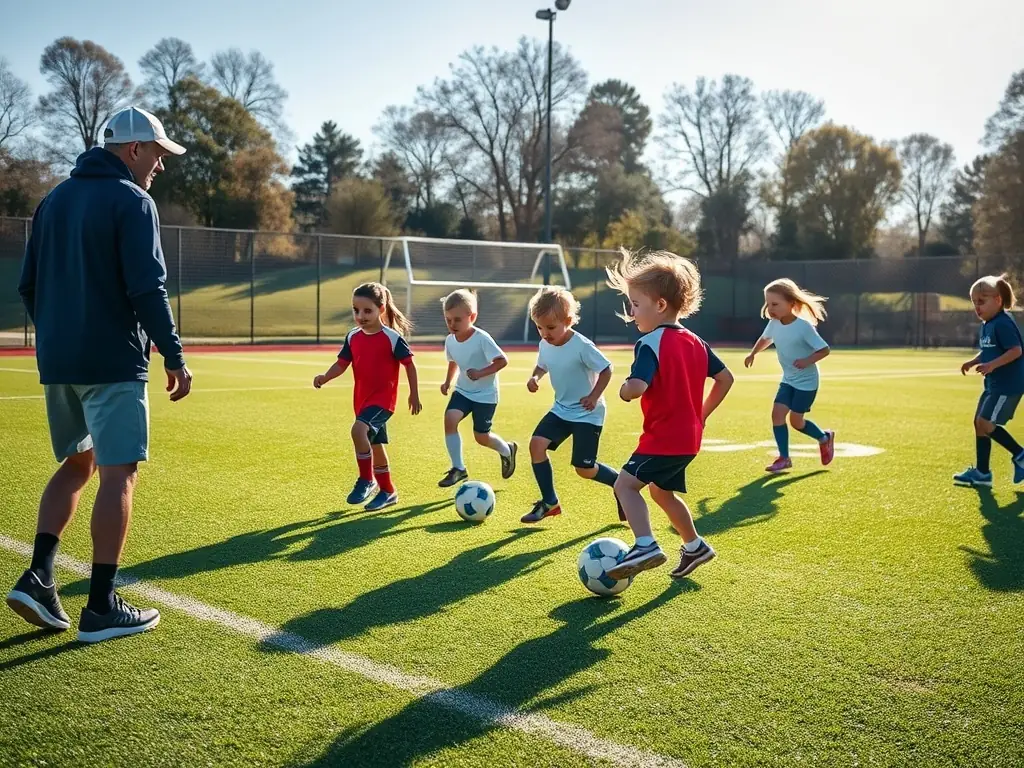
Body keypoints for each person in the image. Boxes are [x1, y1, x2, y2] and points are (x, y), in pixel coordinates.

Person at [7, 106, 192, 644]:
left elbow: (28, 286)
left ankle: (40, 576)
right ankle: (102, 606)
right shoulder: (134, 200)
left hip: (59, 361)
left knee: (78, 464)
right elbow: (146, 287)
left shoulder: (53, 199)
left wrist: (63, 336)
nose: (159, 165)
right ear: (133, 149)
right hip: (112, 361)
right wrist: (174, 355)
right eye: (157, 154)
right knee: (118, 473)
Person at [602, 249, 734, 581]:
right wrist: (701, 415)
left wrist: (624, 389)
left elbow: (637, 386)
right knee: (661, 491)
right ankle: (694, 546)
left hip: (664, 437)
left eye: (635, 304)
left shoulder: (650, 343)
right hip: (689, 437)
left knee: (625, 485)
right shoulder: (697, 342)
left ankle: (645, 544)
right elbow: (725, 379)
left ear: (659, 305)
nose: (632, 313)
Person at [314, 282, 422, 511]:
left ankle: (366, 479)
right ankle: (388, 491)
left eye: (367, 310)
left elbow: (410, 365)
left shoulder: (392, 338)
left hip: (383, 401)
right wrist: (325, 376)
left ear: (381, 309)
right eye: (356, 310)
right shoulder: (353, 337)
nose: (360, 316)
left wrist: (414, 394)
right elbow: (342, 364)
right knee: (376, 446)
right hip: (362, 400)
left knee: (358, 431)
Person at [522, 286, 622, 524]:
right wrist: (535, 377)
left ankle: (620, 483)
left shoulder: (581, 346)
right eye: (539, 327)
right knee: (537, 445)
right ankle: (549, 503)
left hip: (588, 413)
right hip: (561, 409)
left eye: (550, 327)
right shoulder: (545, 343)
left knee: (584, 469)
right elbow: (542, 364)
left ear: (568, 321)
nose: (544, 333)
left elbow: (606, 369)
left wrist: (594, 396)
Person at [744, 278, 835, 473]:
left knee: (796, 422)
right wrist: (753, 353)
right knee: (777, 414)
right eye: (768, 304)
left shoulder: (803, 327)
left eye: (775, 304)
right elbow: (765, 339)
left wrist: (807, 361)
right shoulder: (774, 323)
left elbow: (824, 350)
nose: (770, 308)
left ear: (792, 303)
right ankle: (784, 458)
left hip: (806, 383)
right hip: (788, 379)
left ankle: (824, 438)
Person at [436, 289, 518, 487]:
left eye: (457, 320)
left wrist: (480, 373)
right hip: (463, 391)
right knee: (450, 419)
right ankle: (458, 468)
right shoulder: (450, 340)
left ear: (472, 317)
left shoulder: (482, 338)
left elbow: (502, 361)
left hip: (485, 395)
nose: (452, 324)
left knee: (481, 437)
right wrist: (448, 381)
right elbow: (453, 361)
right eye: (448, 320)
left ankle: (507, 450)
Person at [955, 274, 1024, 486]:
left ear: (998, 300)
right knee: (979, 424)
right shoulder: (987, 324)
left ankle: (1020, 455)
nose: (977, 306)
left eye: (982, 301)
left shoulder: (1002, 323)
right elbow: (989, 351)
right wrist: (974, 361)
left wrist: (992, 365)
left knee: (985, 423)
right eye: (974, 302)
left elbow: (1016, 350)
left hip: (1007, 386)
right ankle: (983, 473)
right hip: (993, 385)